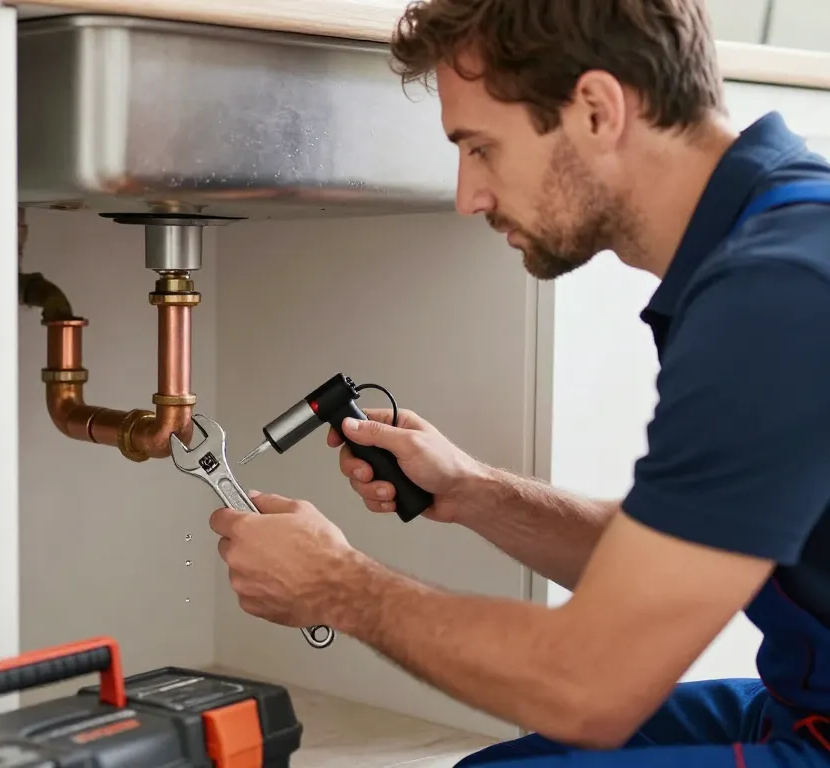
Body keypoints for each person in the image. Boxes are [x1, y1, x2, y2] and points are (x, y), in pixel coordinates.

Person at [208, 0, 830, 765]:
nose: (469, 195)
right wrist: (475, 491)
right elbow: (671, 560)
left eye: (481, 148)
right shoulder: (773, 234)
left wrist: (337, 585)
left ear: (598, 110)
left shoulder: (778, 295)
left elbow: (592, 685)